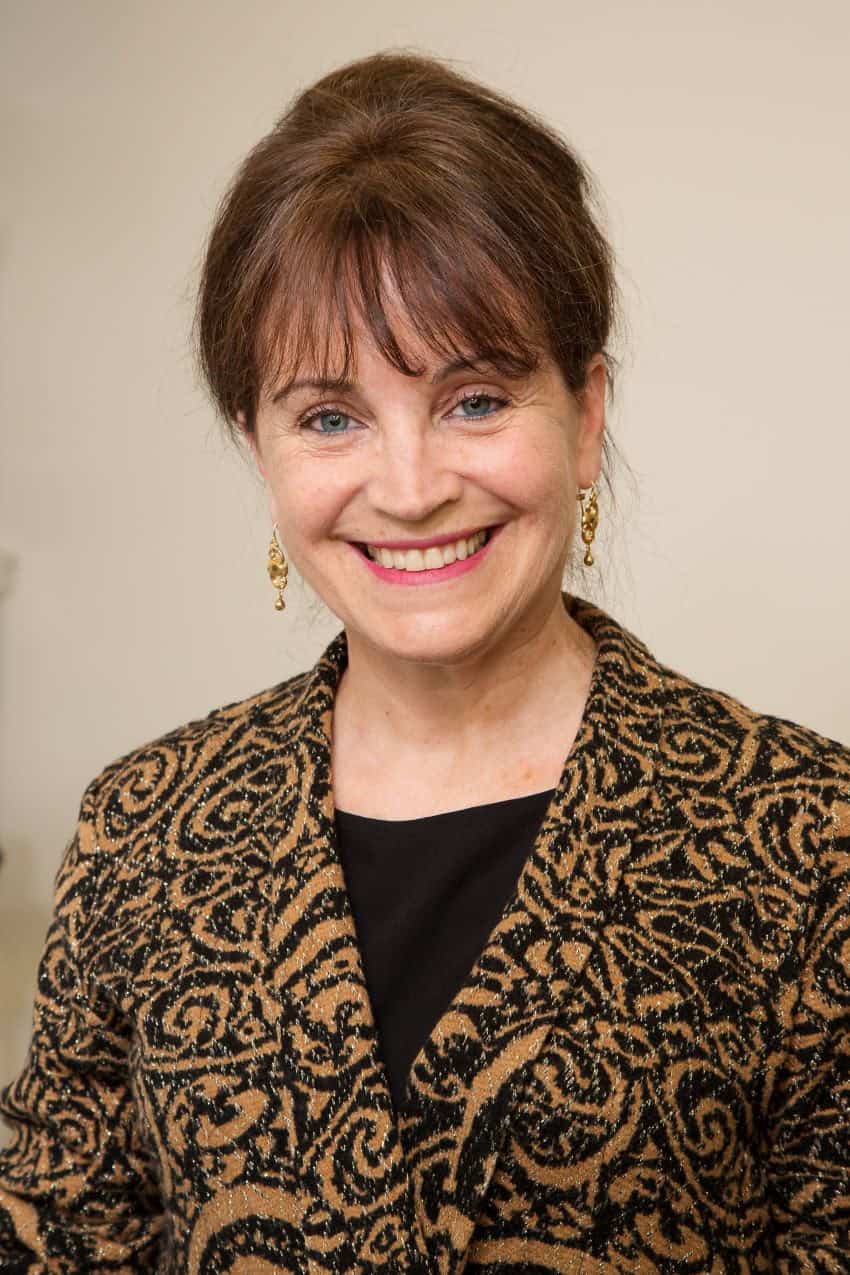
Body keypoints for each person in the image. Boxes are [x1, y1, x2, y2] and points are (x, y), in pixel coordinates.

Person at [1, 47, 848, 1275]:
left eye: (476, 399)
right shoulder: (142, 833)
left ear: (588, 412)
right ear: (257, 443)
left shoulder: (810, 840)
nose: (408, 491)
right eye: (330, 417)